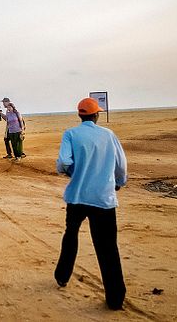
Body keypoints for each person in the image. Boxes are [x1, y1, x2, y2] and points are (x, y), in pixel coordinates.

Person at [54, 97, 127, 310]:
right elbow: (121, 165)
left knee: (71, 235)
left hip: (77, 196)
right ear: (96, 115)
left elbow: (64, 162)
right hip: (103, 199)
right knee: (107, 248)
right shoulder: (108, 135)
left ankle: (62, 276)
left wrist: (72, 172)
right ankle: (115, 298)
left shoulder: (71, 134)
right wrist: (119, 182)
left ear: (80, 115)